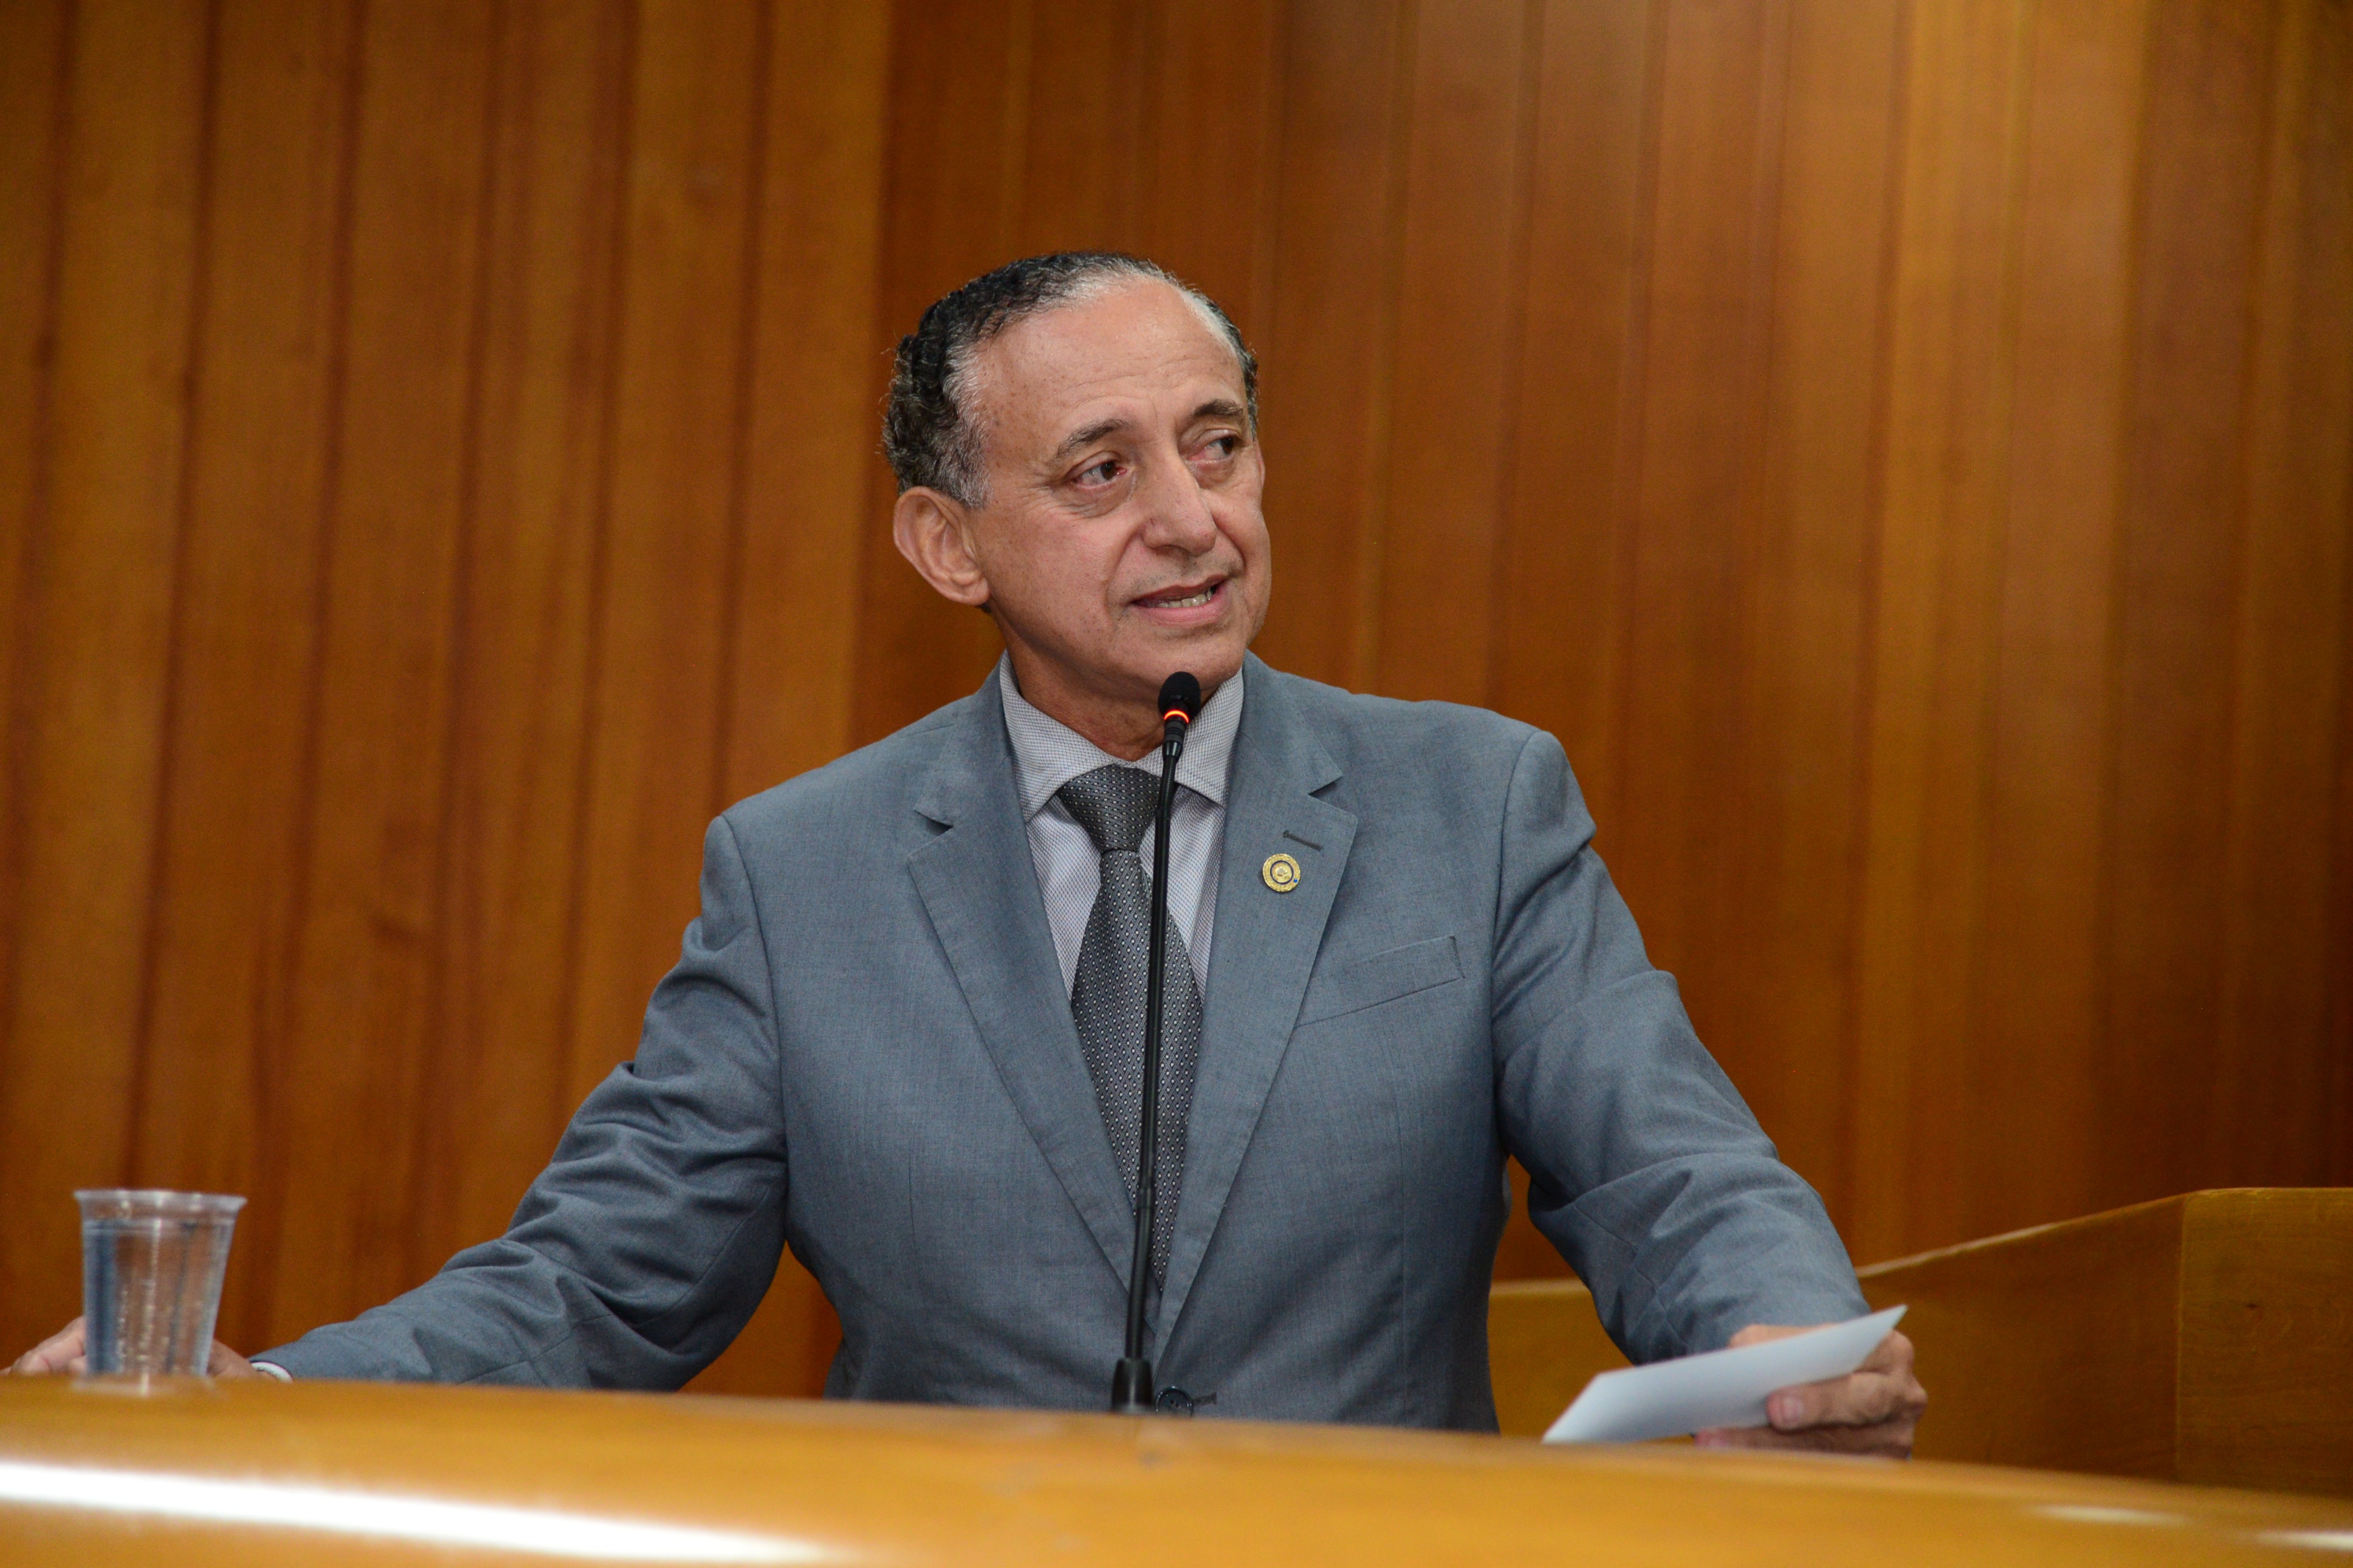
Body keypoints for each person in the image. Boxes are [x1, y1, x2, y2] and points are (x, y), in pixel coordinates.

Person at [12, 252, 1923, 1451]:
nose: (1192, 518)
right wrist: (268, 1398)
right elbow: (593, 1284)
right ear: (949, 546)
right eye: (1102, 471)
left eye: (1220, 444)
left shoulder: (1472, 803)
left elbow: (1666, 1158)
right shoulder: (805, 875)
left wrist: (1780, 1336)